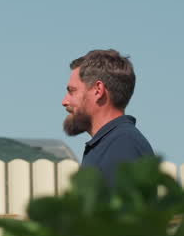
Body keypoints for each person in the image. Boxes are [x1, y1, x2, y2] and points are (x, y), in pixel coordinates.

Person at [61, 48, 154, 185]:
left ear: (98, 90)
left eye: (72, 91)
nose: (65, 101)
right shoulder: (112, 143)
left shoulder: (122, 145)